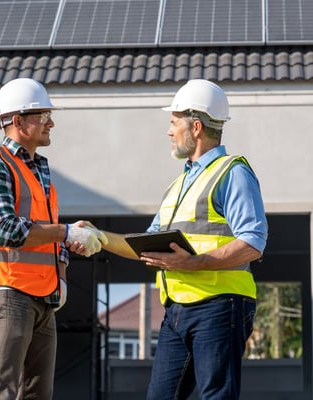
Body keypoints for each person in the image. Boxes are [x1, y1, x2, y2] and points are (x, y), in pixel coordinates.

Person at [86, 79, 268, 399]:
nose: (169, 131)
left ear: (195, 126)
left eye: (173, 122)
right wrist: (99, 236)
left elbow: (253, 242)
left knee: (216, 396)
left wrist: (193, 263)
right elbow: (146, 243)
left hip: (220, 305)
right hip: (176, 310)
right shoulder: (178, 185)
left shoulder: (232, 172)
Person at [0, 78, 107, 400]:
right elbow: (3, 229)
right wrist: (65, 232)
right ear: (18, 121)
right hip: (6, 292)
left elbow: (38, 234)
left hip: (42, 296)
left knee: (37, 394)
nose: (51, 123)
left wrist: (65, 247)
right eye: (43, 116)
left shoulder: (36, 171)